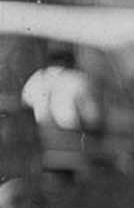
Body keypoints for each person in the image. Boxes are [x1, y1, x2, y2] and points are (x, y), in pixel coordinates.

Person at [20, 44, 103, 174]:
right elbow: (92, 119)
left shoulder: (35, 78)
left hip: (41, 149)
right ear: (71, 60)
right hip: (72, 148)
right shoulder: (78, 80)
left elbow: (25, 110)